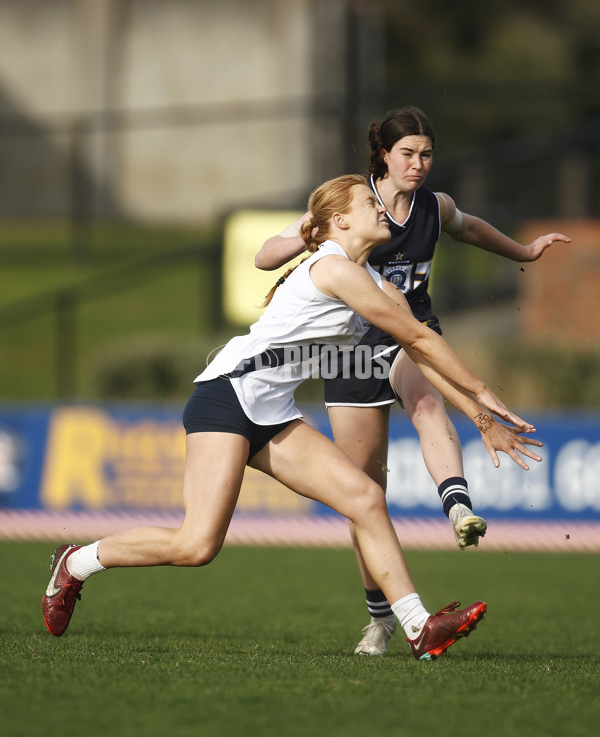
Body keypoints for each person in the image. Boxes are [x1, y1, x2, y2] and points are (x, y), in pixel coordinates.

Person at [42, 174, 542, 661]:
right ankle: (77, 561)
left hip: (273, 411)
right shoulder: (334, 268)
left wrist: (480, 415)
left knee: (366, 498)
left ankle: (417, 627)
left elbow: (424, 348)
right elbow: (420, 339)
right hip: (227, 396)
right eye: (369, 203)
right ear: (340, 221)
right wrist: (482, 395)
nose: (380, 207)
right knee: (196, 545)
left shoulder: (368, 279)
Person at [255, 107, 569, 656]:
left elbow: (469, 228)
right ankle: (380, 619)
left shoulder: (434, 206)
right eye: (408, 154)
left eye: (426, 154)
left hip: (411, 330)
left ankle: (458, 507)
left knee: (425, 402)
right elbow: (264, 256)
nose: (419, 164)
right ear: (383, 155)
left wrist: (524, 252)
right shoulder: (352, 206)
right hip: (352, 346)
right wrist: (309, 235)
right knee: (365, 491)